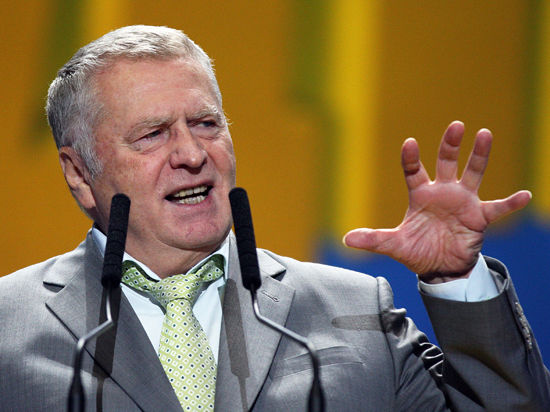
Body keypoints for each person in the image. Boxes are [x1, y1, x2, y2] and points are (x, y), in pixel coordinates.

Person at [0, 25, 548, 411]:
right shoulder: (8, 326)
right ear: (78, 173)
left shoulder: (356, 309)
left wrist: (456, 279)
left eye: (207, 124)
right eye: (153, 134)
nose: (192, 154)